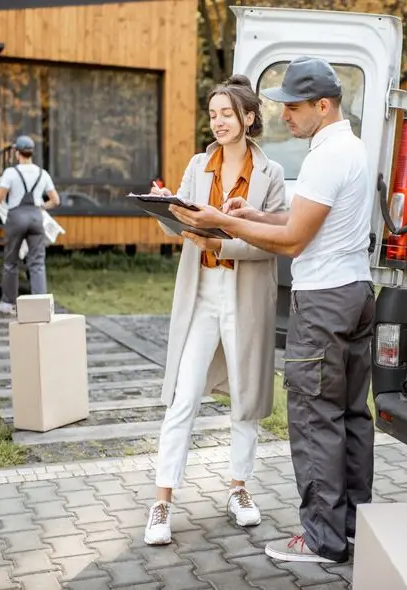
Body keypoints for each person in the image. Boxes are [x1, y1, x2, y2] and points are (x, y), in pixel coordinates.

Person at [169, 57, 375, 564]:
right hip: (354, 293)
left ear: (323, 105)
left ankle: (322, 540)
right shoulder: (349, 147)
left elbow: (293, 239)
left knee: (314, 421)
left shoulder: (326, 156)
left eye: (294, 108)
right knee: (350, 416)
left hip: (323, 303)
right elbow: (301, 218)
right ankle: (352, 527)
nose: (284, 115)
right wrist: (256, 213)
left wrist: (223, 221)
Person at [142, 75, 288, 546]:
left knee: (245, 399)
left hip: (245, 297)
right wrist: (167, 208)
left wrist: (222, 244)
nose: (218, 121)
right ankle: (162, 501)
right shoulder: (198, 165)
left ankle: (239, 489)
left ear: (248, 118)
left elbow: (273, 244)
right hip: (201, 295)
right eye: (213, 113)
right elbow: (179, 226)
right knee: (184, 397)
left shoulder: (273, 175)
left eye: (227, 113)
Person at [0, 135, 61, 315]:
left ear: (17, 153)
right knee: (37, 262)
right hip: (36, 218)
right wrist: (39, 207)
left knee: (11, 262)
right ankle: (40, 305)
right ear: (32, 153)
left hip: (16, 218)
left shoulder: (11, 173)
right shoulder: (42, 173)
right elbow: (55, 200)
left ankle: (8, 304)